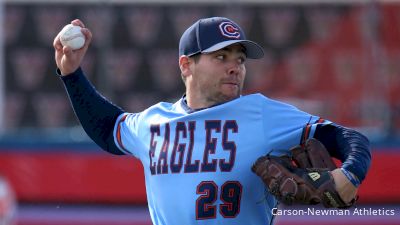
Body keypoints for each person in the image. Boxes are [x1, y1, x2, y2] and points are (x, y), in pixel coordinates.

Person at [53, 17, 371, 225]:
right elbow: (107, 128)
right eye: (220, 57)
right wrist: (71, 74)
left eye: (240, 60)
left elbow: (344, 137)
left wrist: (351, 172)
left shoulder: (261, 114)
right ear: (186, 65)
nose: (235, 68)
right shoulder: (154, 122)